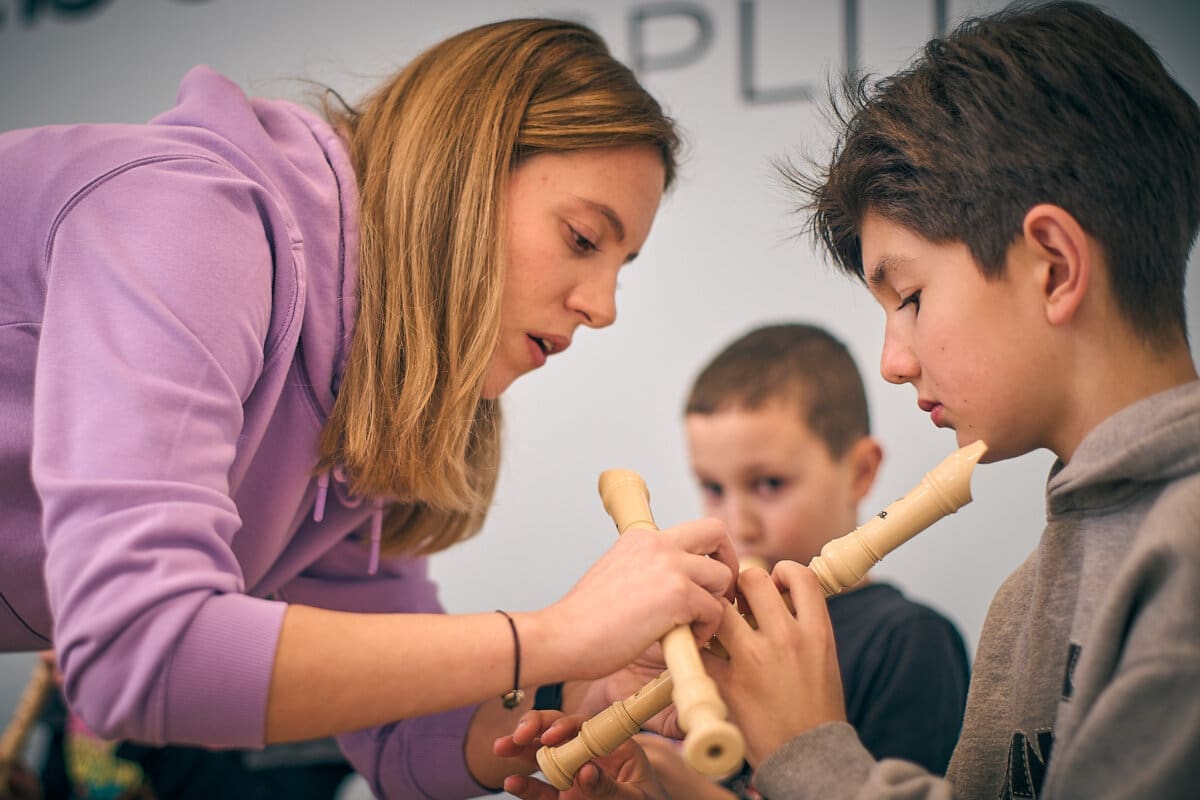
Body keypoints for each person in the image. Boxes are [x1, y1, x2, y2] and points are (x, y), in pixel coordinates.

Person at [0, 17, 742, 800]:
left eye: (622, 266)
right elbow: (138, 653)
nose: (603, 308)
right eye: (584, 239)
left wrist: (581, 692)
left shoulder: (367, 386)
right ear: (464, 171)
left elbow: (399, 732)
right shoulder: (190, 220)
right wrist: (557, 635)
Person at [500, 2, 1200, 798]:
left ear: (1055, 267)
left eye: (910, 298)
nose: (893, 363)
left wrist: (807, 748)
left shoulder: (1181, 553)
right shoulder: (1032, 591)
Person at [634, 322, 969, 799]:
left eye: (769, 484)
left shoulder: (908, 642)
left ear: (860, 472)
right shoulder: (708, 630)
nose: (738, 525)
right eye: (713, 487)